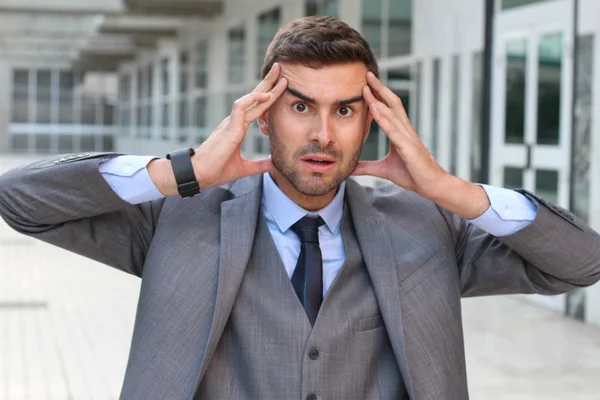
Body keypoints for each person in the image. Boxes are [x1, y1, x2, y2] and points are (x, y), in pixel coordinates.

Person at [0, 15, 599, 400]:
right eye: (301, 107)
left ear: (371, 120)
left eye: (344, 110)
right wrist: (182, 172)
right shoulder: (177, 218)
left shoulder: (427, 228)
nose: (322, 135)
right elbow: (22, 201)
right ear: (262, 114)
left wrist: (451, 192)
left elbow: (580, 263)